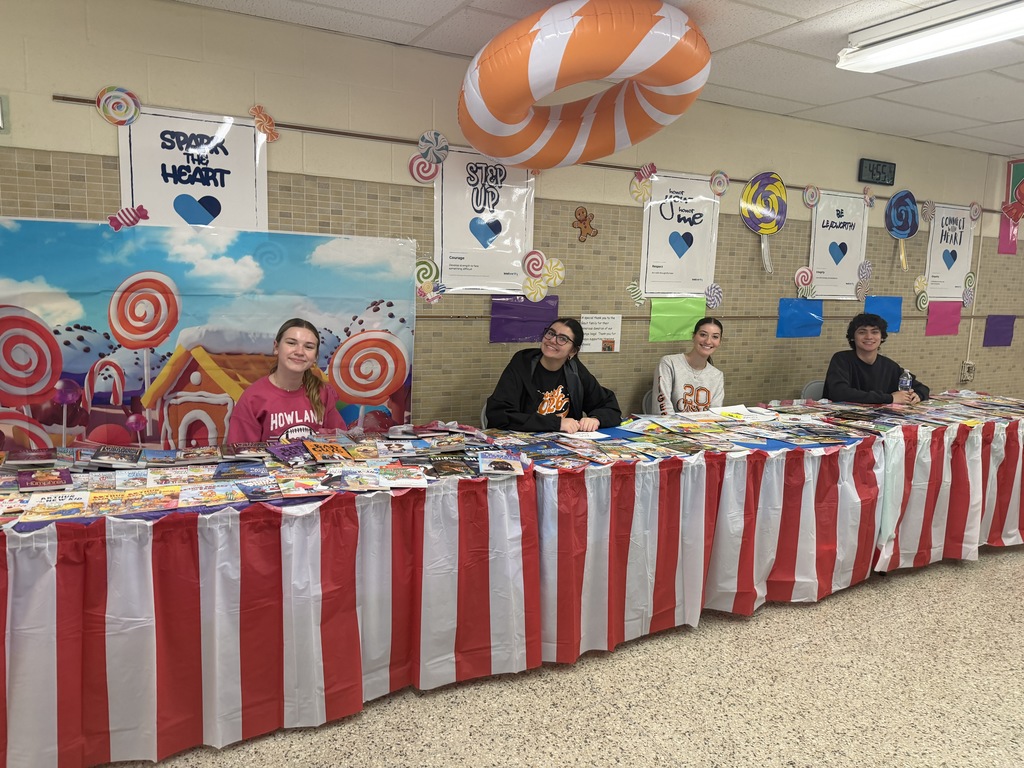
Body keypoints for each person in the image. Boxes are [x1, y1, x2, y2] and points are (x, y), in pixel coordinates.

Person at [485, 318, 621, 434]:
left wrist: (596, 419)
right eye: (550, 333)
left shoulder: (575, 371)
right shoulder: (522, 363)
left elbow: (610, 406)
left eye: (563, 339)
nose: (552, 340)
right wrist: (557, 424)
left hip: (566, 450)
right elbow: (499, 414)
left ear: (573, 351)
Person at [226, 318, 346, 442]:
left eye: (309, 347)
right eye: (291, 343)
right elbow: (240, 453)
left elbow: (340, 441)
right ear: (276, 347)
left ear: (315, 357)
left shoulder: (323, 393)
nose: (299, 352)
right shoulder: (253, 398)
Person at [823, 313, 929, 404]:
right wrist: (890, 398)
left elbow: (922, 388)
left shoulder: (889, 366)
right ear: (852, 337)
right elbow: (839, 393)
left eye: (875, 332)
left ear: (882, 337)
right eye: (862, 332)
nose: (869, 337)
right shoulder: (841, 360)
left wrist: (918, 395)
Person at [655, 317, 725, 414]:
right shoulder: (669, 363)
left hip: (703, 428)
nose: (708, 341)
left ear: (719, 342)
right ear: (693, 336)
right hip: (670, 427)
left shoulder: (717, 376)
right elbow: (662, 409)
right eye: (703, 335)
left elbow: (715, 414)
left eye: (715, 337)